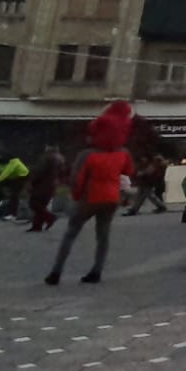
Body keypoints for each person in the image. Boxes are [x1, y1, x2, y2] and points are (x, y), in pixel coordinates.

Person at [46, 101, 135, 286]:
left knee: (71, 233)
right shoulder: (123, 153)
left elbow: (76, 180)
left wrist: (77, 197)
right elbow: (129, 171)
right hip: (111, 198)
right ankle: (96, 271)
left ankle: (56, 272)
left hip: (90, 196)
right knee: (103, 235)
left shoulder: (87, 154)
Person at [25, 146, 65, 232]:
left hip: (42, 184)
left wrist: (31, 181)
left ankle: (50, 217)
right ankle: (37, 225)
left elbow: (39, 171)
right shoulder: (61, 158)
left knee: (34, 203)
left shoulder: (47, 157)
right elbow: (62, 172)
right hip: (53, 184)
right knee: (42, 205)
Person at [0, 153, 30, 220]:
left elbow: (6, 173)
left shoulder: (14, 162)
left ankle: (12, 214)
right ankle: (0, 200)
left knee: (14, 194)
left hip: (22, 177)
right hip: (12, 178)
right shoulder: (0, 163)